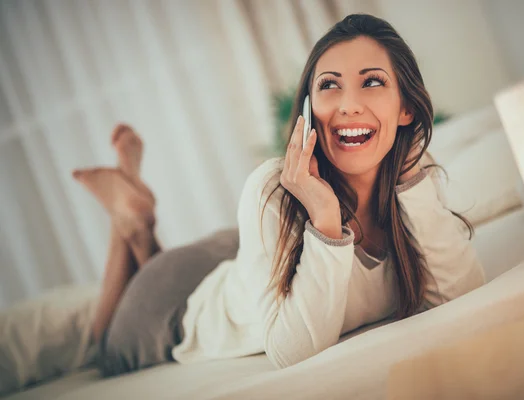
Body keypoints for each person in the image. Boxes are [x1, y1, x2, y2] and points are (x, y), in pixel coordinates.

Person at [72, 13, 484, 376]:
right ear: (308, 109)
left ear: (406, 108)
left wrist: (411, 180)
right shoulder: (272, 188)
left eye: (372, 82)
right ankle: (127, 221)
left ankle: (136, 217)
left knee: (176, 266)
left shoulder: (414, 173)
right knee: (101, 349)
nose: (349, 105)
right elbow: (291, 353)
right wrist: (324, 219)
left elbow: (459, 292)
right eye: (330, 86)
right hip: (180, 302)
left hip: (245, 262)